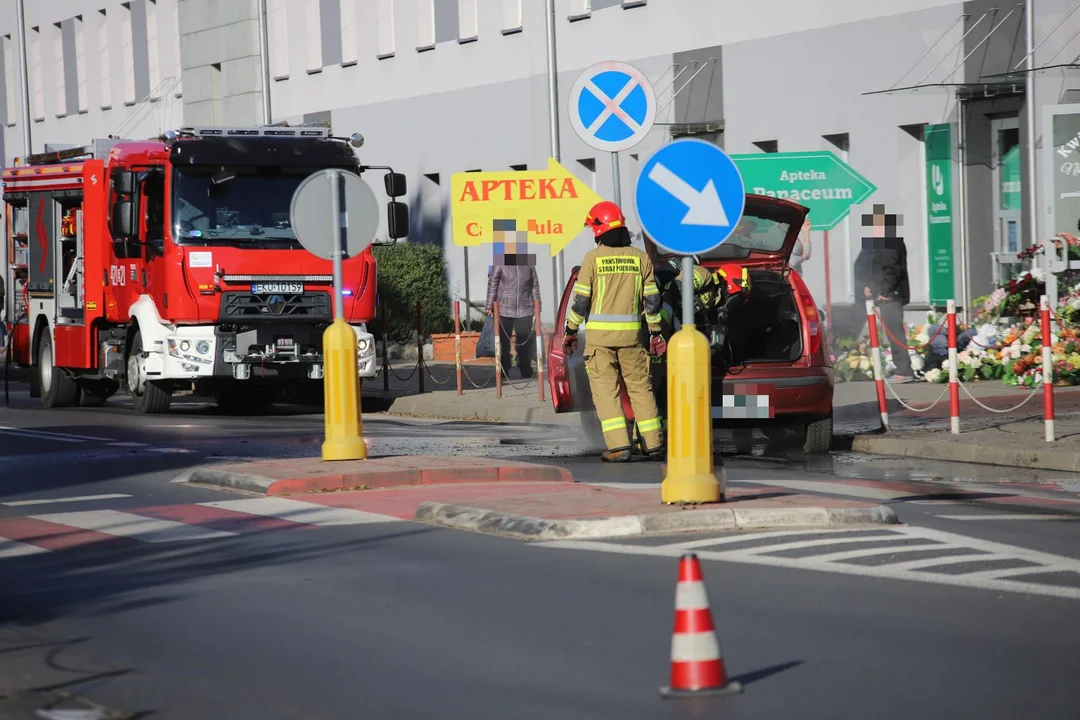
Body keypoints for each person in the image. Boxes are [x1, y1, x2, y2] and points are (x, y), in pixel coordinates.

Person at [562, 201, 666, 462]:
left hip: (600, 342)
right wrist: (655, 333)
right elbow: (652, 301)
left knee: (606, 392)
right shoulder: (641, 258)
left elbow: (581, 301)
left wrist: (570, 330)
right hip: (633, 338)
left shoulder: (592, 259)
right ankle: (653, 444)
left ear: (599, 229)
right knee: (641, 389)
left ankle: (620, 447)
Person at [854, 204, 912, 383]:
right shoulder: (878, 243)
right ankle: (900, 369)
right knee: (890, 333)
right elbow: (869, 265)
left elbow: (893, 269)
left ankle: (905, 371)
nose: (875, 229)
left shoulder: (891, 242)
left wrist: (885, 291)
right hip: (882, 294)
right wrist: (867, 285)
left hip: (890, 296)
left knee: (894, 332)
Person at [484, 237, 541, 379]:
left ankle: (525, 369)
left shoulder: (528, 262)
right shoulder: (499, 262)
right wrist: (489, 304)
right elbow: (493, 284)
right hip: (504, 309)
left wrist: (537, 304)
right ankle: (504, 369)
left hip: (525, 309)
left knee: (524, 341)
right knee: (504, 342)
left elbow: (534, 285)